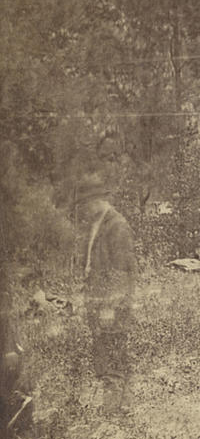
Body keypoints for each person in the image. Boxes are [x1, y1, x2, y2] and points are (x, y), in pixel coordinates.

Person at [71, 174, 138, 415]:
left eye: (85, 204)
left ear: (97, 200)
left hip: (113, 307)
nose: (84, 210)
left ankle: (117, 408)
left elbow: (121, 271)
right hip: (99, 304)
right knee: (104, 354)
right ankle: (120, 406)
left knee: (114, 355)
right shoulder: (96, 225)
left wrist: (110, 307)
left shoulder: (117, 226)